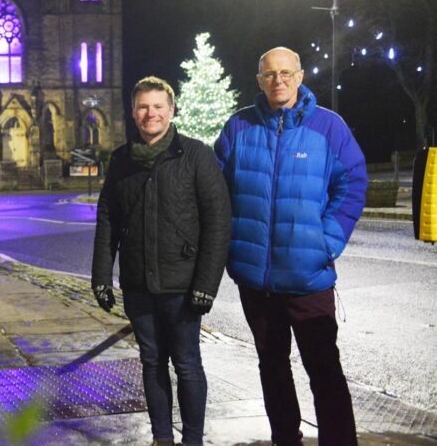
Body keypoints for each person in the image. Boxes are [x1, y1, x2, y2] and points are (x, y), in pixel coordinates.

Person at [214, 47, 367, 446]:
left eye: (285, 73)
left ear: (299, 77)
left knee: (325, 370)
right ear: (259, 80)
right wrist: (231, 247)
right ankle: (286, 439)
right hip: (256, 281)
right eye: (269, 74)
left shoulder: (328, 127)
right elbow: (215, 192)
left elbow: (351, 184)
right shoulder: (238, 128)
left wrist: (326, 242)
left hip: (308, 279)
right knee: (272, 367)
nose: (278, 80)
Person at [92, 76, 231, 446]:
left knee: (186, 364)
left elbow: (218, 220)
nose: (149, 114)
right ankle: (162, 438)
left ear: (171, 110)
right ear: (134, 112)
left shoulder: (196, 155)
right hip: (139, 285)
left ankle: (193, 440)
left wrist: (206, 284)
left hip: (183, 286)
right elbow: (108, 217)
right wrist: (101, 275)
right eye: (142, 107)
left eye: (157, 106)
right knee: (151, 363)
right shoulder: (122, 160)